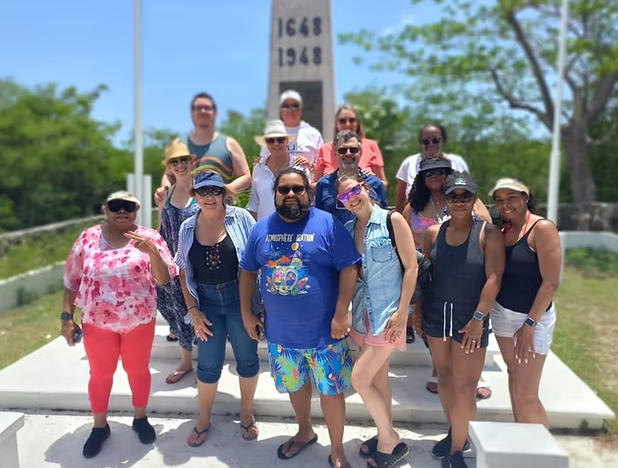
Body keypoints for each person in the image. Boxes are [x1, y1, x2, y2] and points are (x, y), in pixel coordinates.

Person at [239, 167, 360, 468]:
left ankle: (337, 449)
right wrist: (246, 312)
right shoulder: (260, 229)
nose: (291, 194)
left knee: (331, 391)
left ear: (309, 192)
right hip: (281, 334)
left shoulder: (328, 224)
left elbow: (349, 268)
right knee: (295, 386)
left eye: (298, 188)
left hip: (325, 334)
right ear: (275, 194)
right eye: (284, 189)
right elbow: (247, 272)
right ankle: (305, 431)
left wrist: (342, 312)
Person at [61, 191, 177, 458]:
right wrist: (66, 318)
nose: (122, 211)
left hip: (139, 322)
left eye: (129, 206)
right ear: (106, 209)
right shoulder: (88, 238)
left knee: (138, 371)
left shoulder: (150, 237)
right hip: (97, 323)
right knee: (100, 374)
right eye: (116, 206)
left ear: (136, 210)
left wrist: (151, 252)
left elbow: (163, 279)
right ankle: (100, 426)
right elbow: (72, 281)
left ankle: (140, 417)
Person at [412, 173, 505, 468]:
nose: (460, 201)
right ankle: (457, 432)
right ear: (446, 200)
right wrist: (417, 311)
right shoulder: (434, 233)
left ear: (475, 199)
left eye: (466, 196)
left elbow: (494, 279)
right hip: (437, 315)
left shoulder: (488, 233)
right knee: (446, 379)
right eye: (454, 196)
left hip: (469, 319)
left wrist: (480, 317)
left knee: (465, 387)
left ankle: (456, 451)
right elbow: (425, 276)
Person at [174, 171, 261, 446]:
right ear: (195, 195)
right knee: (208, 365)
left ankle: (246, 413)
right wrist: (193, 309)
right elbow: (181, 269)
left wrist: (259, 306)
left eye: (215, 190)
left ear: (224, 193)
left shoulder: (242, 218)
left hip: (240, 300)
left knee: (247, 360)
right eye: (203, 192)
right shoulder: (187, 226)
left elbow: (259, 259)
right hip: (207, 304)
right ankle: (203, 418)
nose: (210, 197)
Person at [337, 172, 417, 468]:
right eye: (345, 196)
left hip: (389, 316)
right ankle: (383, 432)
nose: (352, 198)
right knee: (378, 379)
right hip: (363, 315)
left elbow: (411, 268)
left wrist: (402, 312)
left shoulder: (392, 221)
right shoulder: (348, 228)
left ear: (366, 188)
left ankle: (390, 439)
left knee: (359, 378)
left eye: (355, 190)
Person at [403, 158, 493, 399]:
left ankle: (476, 374)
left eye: (441, 171)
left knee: (467, 340)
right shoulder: (415, 204)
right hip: (428, 271)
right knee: (435, 329)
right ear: (421, 177)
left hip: (466, 264)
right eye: (429, 172)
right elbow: (399, 232)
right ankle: (437, 369)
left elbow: (487, 225)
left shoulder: (465, 198)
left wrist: (459, 223)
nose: (435, 176)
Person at [489, 178, 561, 428]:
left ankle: (542, 453)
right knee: (514, 377)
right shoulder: (503, 231)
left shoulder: (542, 228)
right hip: (502, 314)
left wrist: (530, 324)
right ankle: (523, 439)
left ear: (525, 198)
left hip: (532, 319)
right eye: (500, 200)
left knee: (527, 394)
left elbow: (551, 282)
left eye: (511, 198)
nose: (505, 204)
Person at [154, 92, 252, 204]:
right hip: (183, 214)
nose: (203, 111)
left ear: (215, 113)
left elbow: (246, 177)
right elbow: (169, 175)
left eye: (207, 108)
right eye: (198, 108)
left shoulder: (229, 143)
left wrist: (224, 191)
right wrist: (164, 190)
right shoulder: (179, 144)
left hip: (220, 214)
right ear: (192, 113)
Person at [156, 139, 199, 383]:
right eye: (175, 161)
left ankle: (204, 360)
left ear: (192, 162)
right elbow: (161, 228)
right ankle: (185, 361)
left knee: (196, 310)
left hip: (196, 264)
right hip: (172, 264)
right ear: (170, 167)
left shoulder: (200, 189)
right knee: (172, 306)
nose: (180, 164)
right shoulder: (167, 194)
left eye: (184, 160)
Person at [315, 130, 387, 225]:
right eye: (342, 150)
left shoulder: (375, 184)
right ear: (335, 154)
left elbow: (383, 219)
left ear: (360, 152)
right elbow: (319, 219)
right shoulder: (323, 184)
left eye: (353, 150)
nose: (348, 153)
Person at [395, 124, 469, 213]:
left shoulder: (457, 162)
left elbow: (468, 192)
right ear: (421, 143)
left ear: (443, 141)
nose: (431, 144)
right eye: (426, 141)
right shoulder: (409, 163)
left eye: (435, 140)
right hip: (418, 221)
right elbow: (400, 202)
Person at [247, 119, 312, 221]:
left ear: (287, 141)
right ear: (266, 144)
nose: (276, 144)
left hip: (296, 228)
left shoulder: (300, 167)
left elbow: (309, 201)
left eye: (280, 139)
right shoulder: (258, 168)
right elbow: (254, 204)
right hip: (265, 230)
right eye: (271, 140)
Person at [315, 104, 387, 186]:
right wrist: (328, 179)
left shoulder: (371, 146)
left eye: (352, 120)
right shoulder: (325, 149)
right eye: (342, 121)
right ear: (336, 124)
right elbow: (314, 184)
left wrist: (371, 180)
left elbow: (383, 183)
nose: (347, 124)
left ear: (358, 122)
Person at [257, 90, 323, 173]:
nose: (290, 109)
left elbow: (321, 165)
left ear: (301, 109)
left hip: (307, 184)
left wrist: (309, 165)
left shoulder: (314, 134)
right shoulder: (272, 134)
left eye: (295, 105)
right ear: (280, 110)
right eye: (286, 106)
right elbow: (263, 162)